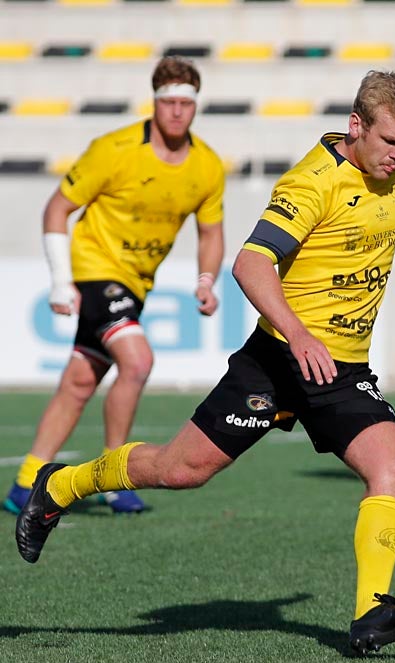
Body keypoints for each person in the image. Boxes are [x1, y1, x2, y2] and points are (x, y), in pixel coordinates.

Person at [17, 70, 395, 656]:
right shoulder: (311, 183)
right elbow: (250, 264)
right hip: (277, 361)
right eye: (390, 143)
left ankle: (371, 613)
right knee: (181, 470)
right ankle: (62, 483)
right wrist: (297, 334)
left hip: (339, 372)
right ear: (356, 127)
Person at [4, 56, 226, 515]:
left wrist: (206, 280)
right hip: (94, 269)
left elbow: (210, 233)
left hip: (136, 283)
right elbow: (56, 209)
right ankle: (113, 475)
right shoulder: (114, 148)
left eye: (186, 102)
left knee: (81, 380)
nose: (177, 111)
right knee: (138, 359)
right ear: (155, 102)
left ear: (196, 106)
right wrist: (61, 282)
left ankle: (26, 485)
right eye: (169, 102)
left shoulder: (206, 166)